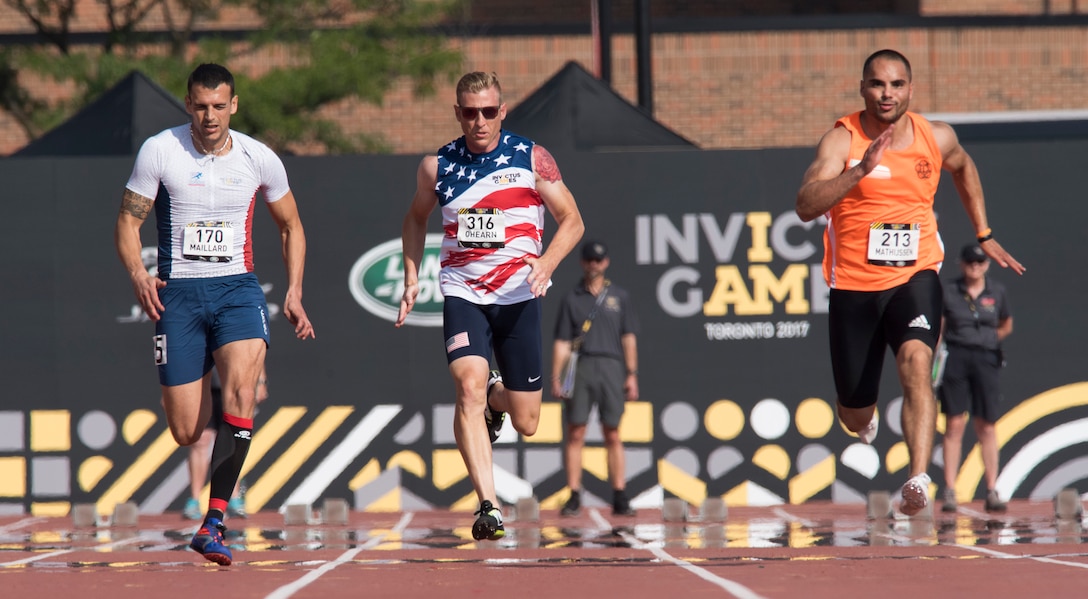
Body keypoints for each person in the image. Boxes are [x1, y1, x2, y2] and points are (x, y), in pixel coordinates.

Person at [795, 49, 1024, 516]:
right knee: (853, 411)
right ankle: (865, 416)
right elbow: (805, 204)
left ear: (910, 90)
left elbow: (963, 167)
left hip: (914, 275)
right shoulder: (842, 140)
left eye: (897, 85)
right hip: (855, 288)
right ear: (863, 89)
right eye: (878, 84)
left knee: (917, 362)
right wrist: (858, 172)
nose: (887, 93)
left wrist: (984, 231)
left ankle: (918, 477)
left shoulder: (935, 137)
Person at [114, 63, 315, 565]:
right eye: (201, 106)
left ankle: (214, 521)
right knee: (186, 429)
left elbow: (291, 227)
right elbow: (128, 221)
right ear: (188, 105)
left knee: (244, 395)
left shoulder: (258, 157)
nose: (210, 116)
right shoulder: (161, 150)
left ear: (234, 105)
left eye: (219, 106)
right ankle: (200, 388)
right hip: (179, 295)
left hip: (237, 291)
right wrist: (140, 273)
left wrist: (293, 291)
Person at [396, 71, 584, 541]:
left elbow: (573, 221)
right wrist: (412, 275)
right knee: (467, 387)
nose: (478, 121)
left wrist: (546, 263)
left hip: (518, 297)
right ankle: (489, 506)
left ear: (502, 111)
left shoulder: (531, 158)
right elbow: (415, 219)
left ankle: (500, 398)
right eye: (469, 112)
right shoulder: (437, 167)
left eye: (488, 111)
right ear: (457, 113)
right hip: (464, 292)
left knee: (528, 422)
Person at [551, 240, 641, 518]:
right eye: (590, 260)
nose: (594, 264)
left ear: (606, 263)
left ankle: (619, 493)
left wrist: (631, 374)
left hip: (611, 366)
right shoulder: (572, 298)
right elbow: (563, 341)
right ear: (582, 262)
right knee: (576, 431)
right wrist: (557, 376)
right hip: (582, 366)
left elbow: (628, 337)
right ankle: (575, 493)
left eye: (598, 260)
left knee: (612, 432)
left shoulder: (619, 297)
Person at [938, 244, 1013, 513]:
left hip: (986, 357)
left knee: (987, 425)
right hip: (956, 356)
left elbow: (1006, 323)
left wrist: (992, 339)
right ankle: (949, 490)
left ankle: (992, 488)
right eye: (970, 262)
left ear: (987, 265)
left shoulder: (997, 291)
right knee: (955, 423)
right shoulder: (949, 290)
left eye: (980, 262)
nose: (975, 266)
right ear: (962, 264)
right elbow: (940, 327)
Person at [183, 365, 268, 520]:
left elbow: (255, 345)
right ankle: (194, 500)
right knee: (201, 440)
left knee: (230, 437)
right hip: (201, 385)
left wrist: (261, 380)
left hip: (233, 385)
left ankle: (234, 497)